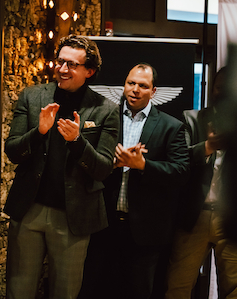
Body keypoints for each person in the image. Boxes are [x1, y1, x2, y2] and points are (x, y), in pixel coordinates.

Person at [4, 35, 120, 299]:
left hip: (74, 216)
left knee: (65, 293)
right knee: (18, 291)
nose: (63, 69)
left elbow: (103, 169)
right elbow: (12, 150)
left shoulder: (105, 109)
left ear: (89, 71)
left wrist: (77, 141)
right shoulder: (33, 96)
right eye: (60, 61)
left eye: (72, 65)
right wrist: (39, 132)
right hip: (29, 209)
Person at [81, 63, 190, 299]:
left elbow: (181, 172)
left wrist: (143, 166)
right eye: (131, 83)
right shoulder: (105, 117)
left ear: (153, 91)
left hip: (145, 230)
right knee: (97, 289)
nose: (135, 90)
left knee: (138, 292)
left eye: (143, 86)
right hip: (103, 223)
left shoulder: (172, 126)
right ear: (124, 85)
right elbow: (87, 161)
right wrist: (111, 164)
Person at [165, 67, 237, 298]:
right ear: (211, 90)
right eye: (219, 88)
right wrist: (209, 146)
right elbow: (180, 158)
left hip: (231, 218)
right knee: (178, 287)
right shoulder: (192, 119)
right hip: (194, 216)